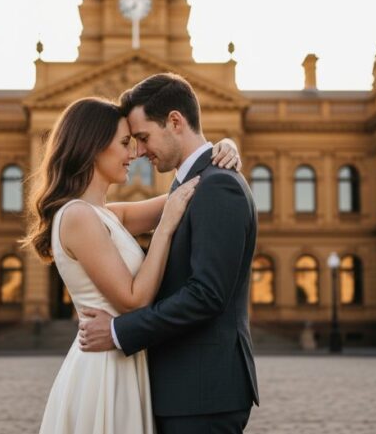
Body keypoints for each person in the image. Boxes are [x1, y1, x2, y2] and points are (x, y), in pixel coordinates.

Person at [23, 96, 241, 434]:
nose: (135, 154)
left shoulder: (107, 215)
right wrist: (165, 227)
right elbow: (133, 299)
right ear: (93, 147)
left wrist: (222, 149)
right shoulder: (78, 216)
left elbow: (192, 188)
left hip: (124, 359)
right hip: (103, 369)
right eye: (125, 143)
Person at [79, 73, 260, 433]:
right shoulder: (192, 185)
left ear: (175, 121)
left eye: (143, 138)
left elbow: (207, 294)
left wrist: (118, 331)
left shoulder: (218, 184)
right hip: (183, 389)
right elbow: (113, 217)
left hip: (203, 392)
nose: (140, 152)